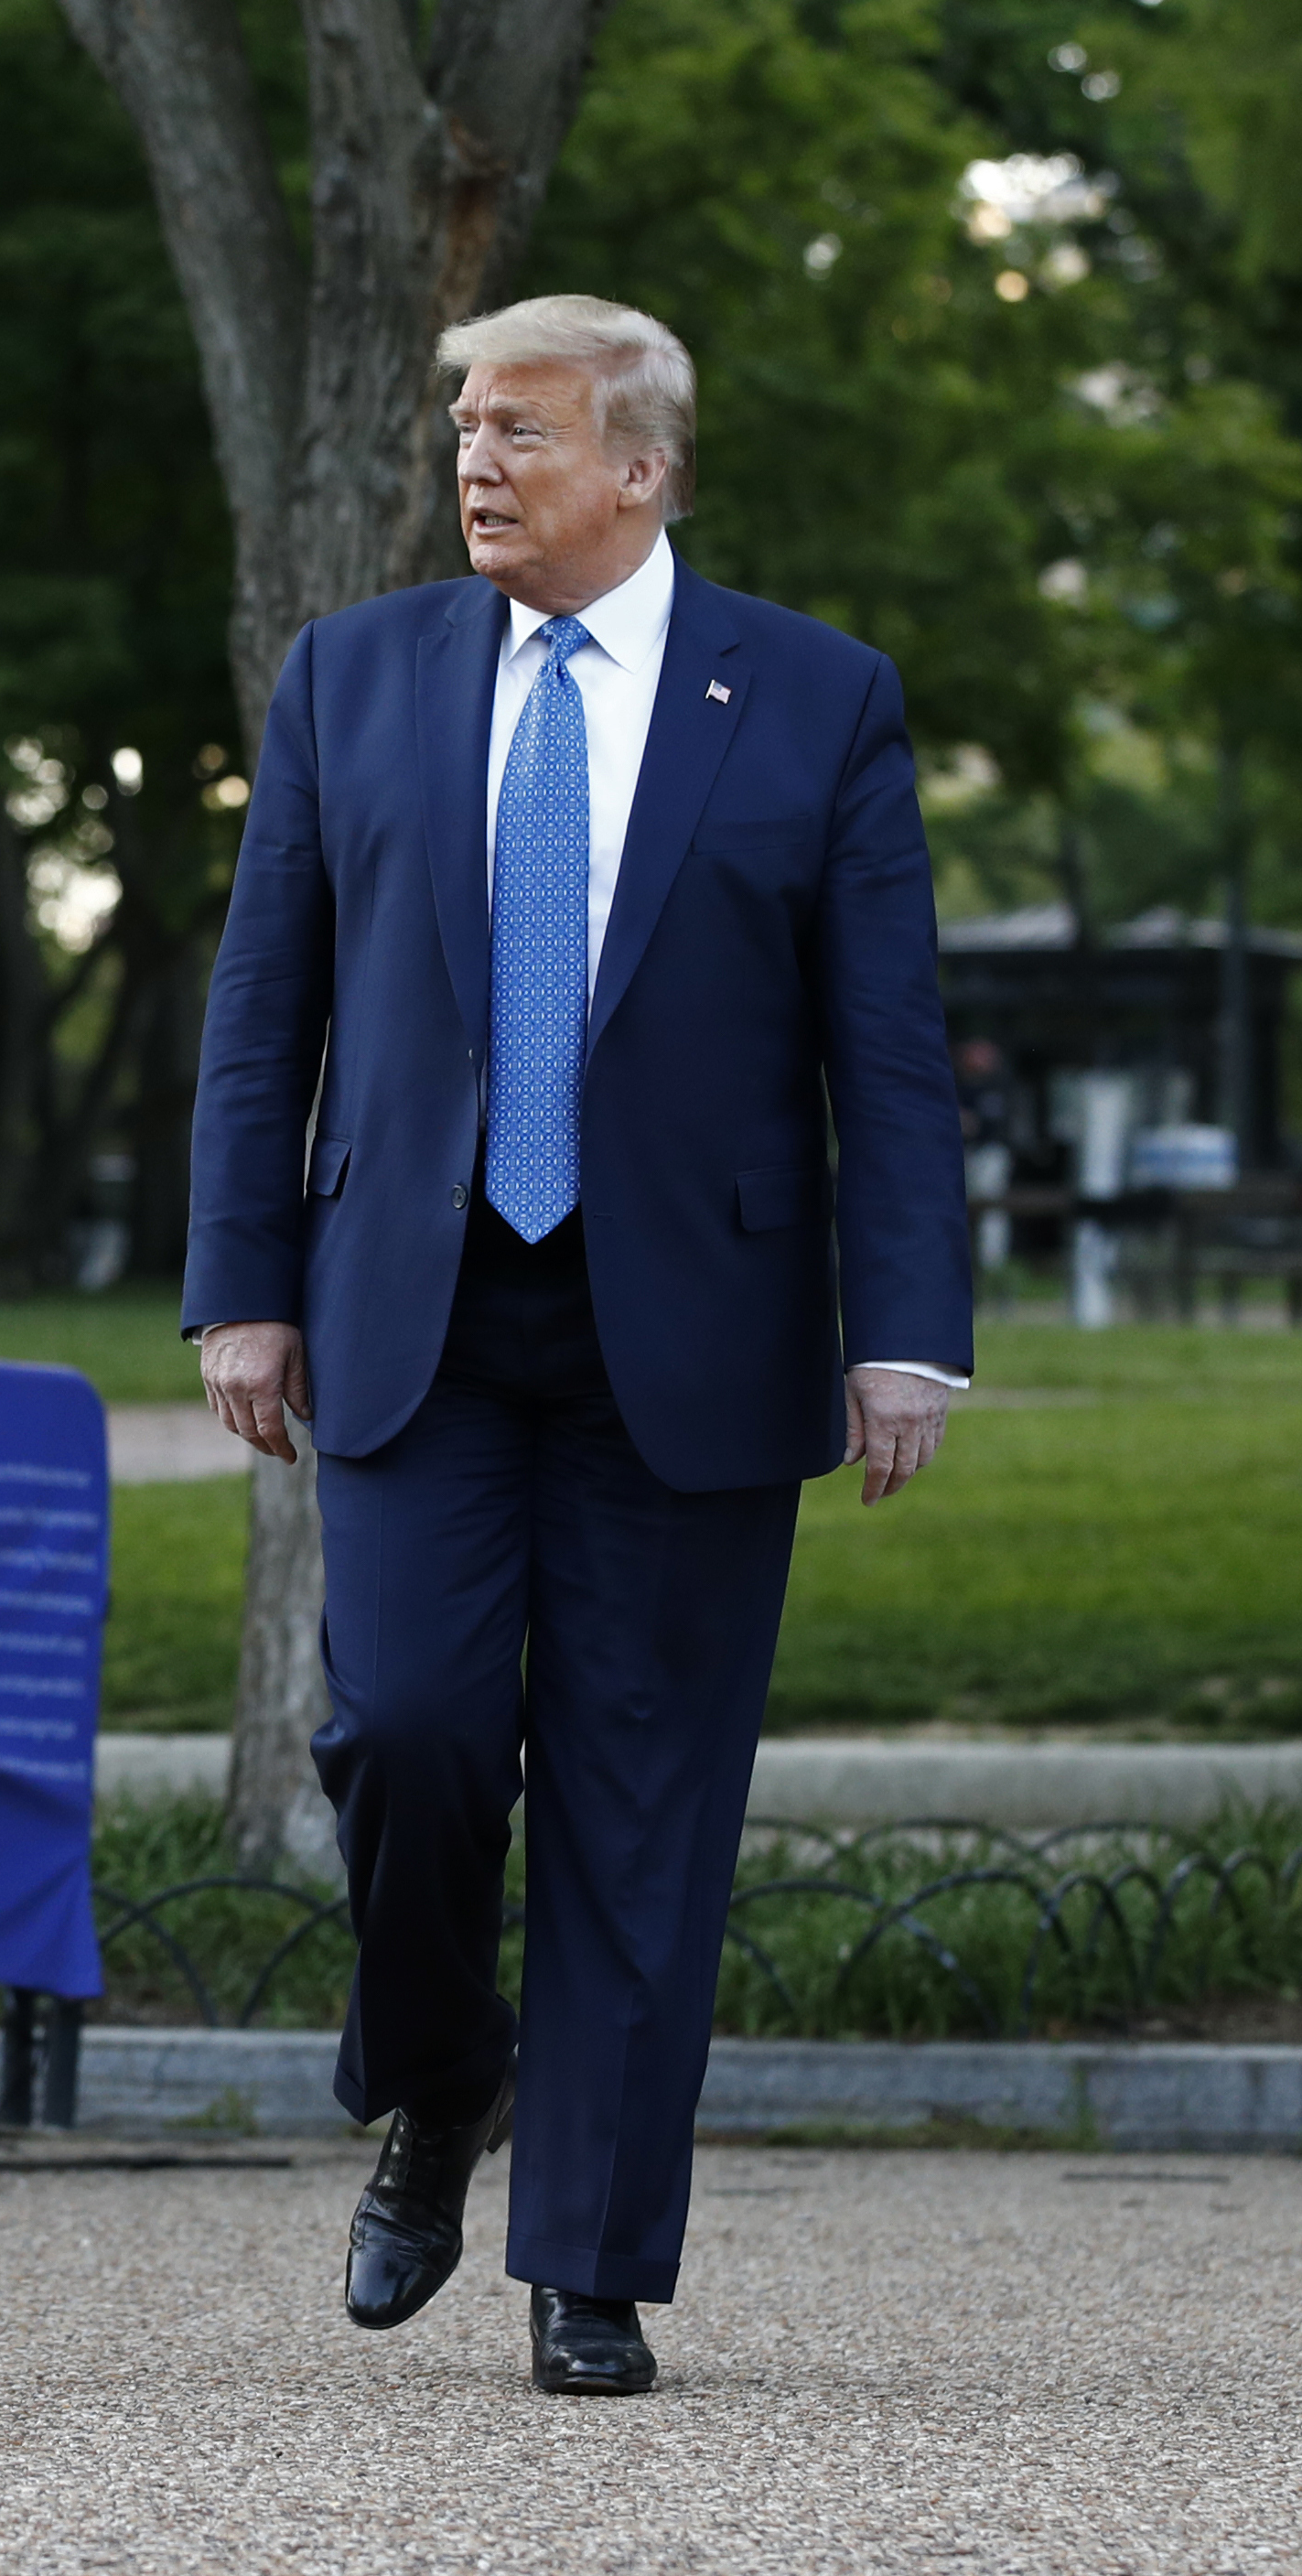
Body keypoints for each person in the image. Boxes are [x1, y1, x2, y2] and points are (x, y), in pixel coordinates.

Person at [181, 296, 968, 2398]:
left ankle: (588, 2266)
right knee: (410, 1730)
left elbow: (881, 1050)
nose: (472, 459)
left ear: (641, 465)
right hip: (409, 1315)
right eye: (460, 424)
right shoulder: (352, 677)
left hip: (691, 1334)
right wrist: (235, 1280)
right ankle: (441, 2081)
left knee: (642, 1800)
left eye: (517, 428)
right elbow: (266, 1006)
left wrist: (901, 1333)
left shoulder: (814, 699)